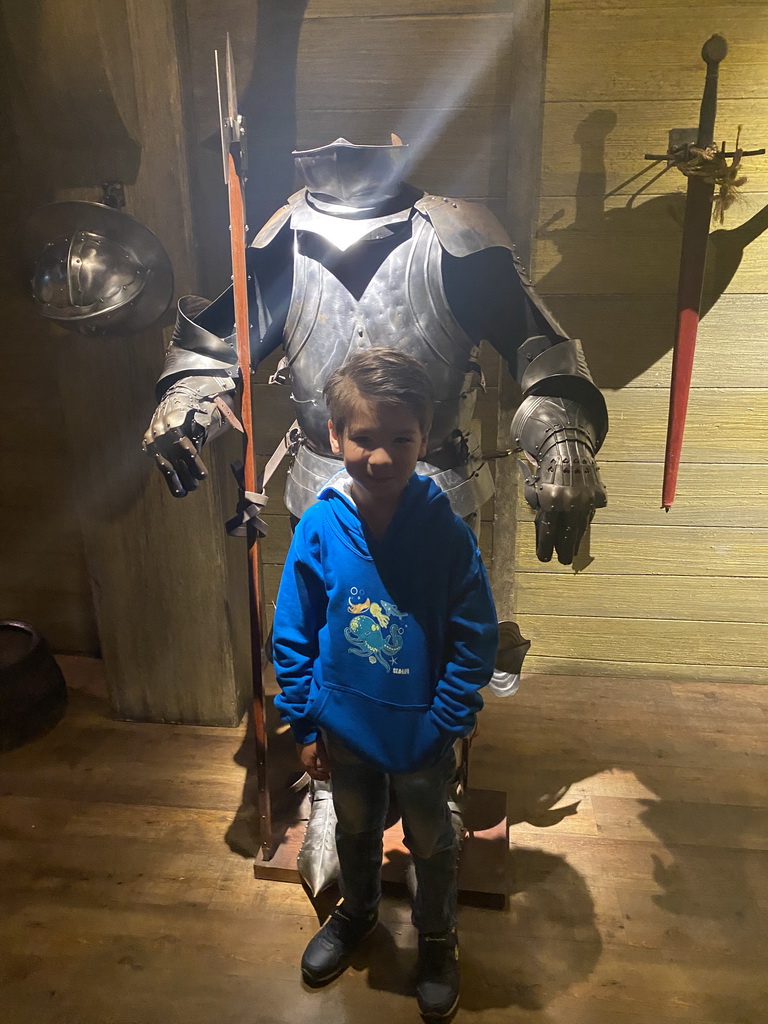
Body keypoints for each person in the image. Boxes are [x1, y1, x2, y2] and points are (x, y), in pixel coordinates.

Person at [272, 348, 498, 1022]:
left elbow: (475, 636)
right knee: (355, 831)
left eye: (400, 439)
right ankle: (358, 912)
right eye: (365, 438)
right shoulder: (319, 524)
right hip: (347, 732)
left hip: (422, 735)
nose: (381, 456)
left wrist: (447, 718)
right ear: (336, 435)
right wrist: (308, 721)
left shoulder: (447, 535)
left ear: (423, 438)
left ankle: (436, 936)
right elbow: (294, 627)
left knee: (432, 840)